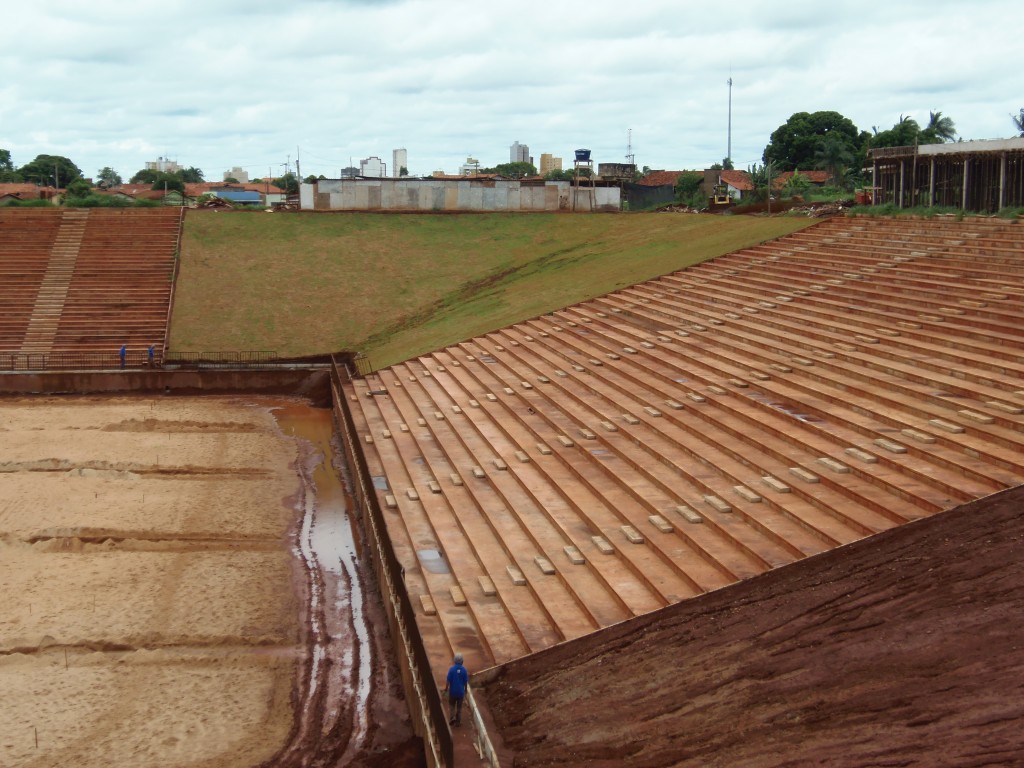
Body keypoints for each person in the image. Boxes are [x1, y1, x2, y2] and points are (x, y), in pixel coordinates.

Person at [444, 653, 469, 727]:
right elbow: (465, 682)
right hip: (460, 693)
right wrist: (466, 690)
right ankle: (458, 722)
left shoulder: (451, 670)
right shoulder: (464, 670)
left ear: (454, 661)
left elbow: (448, 681)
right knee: (459, 707)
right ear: (462, 661)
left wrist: (446, 689)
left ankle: (452, 717)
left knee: (452, 705)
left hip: (452, 692)